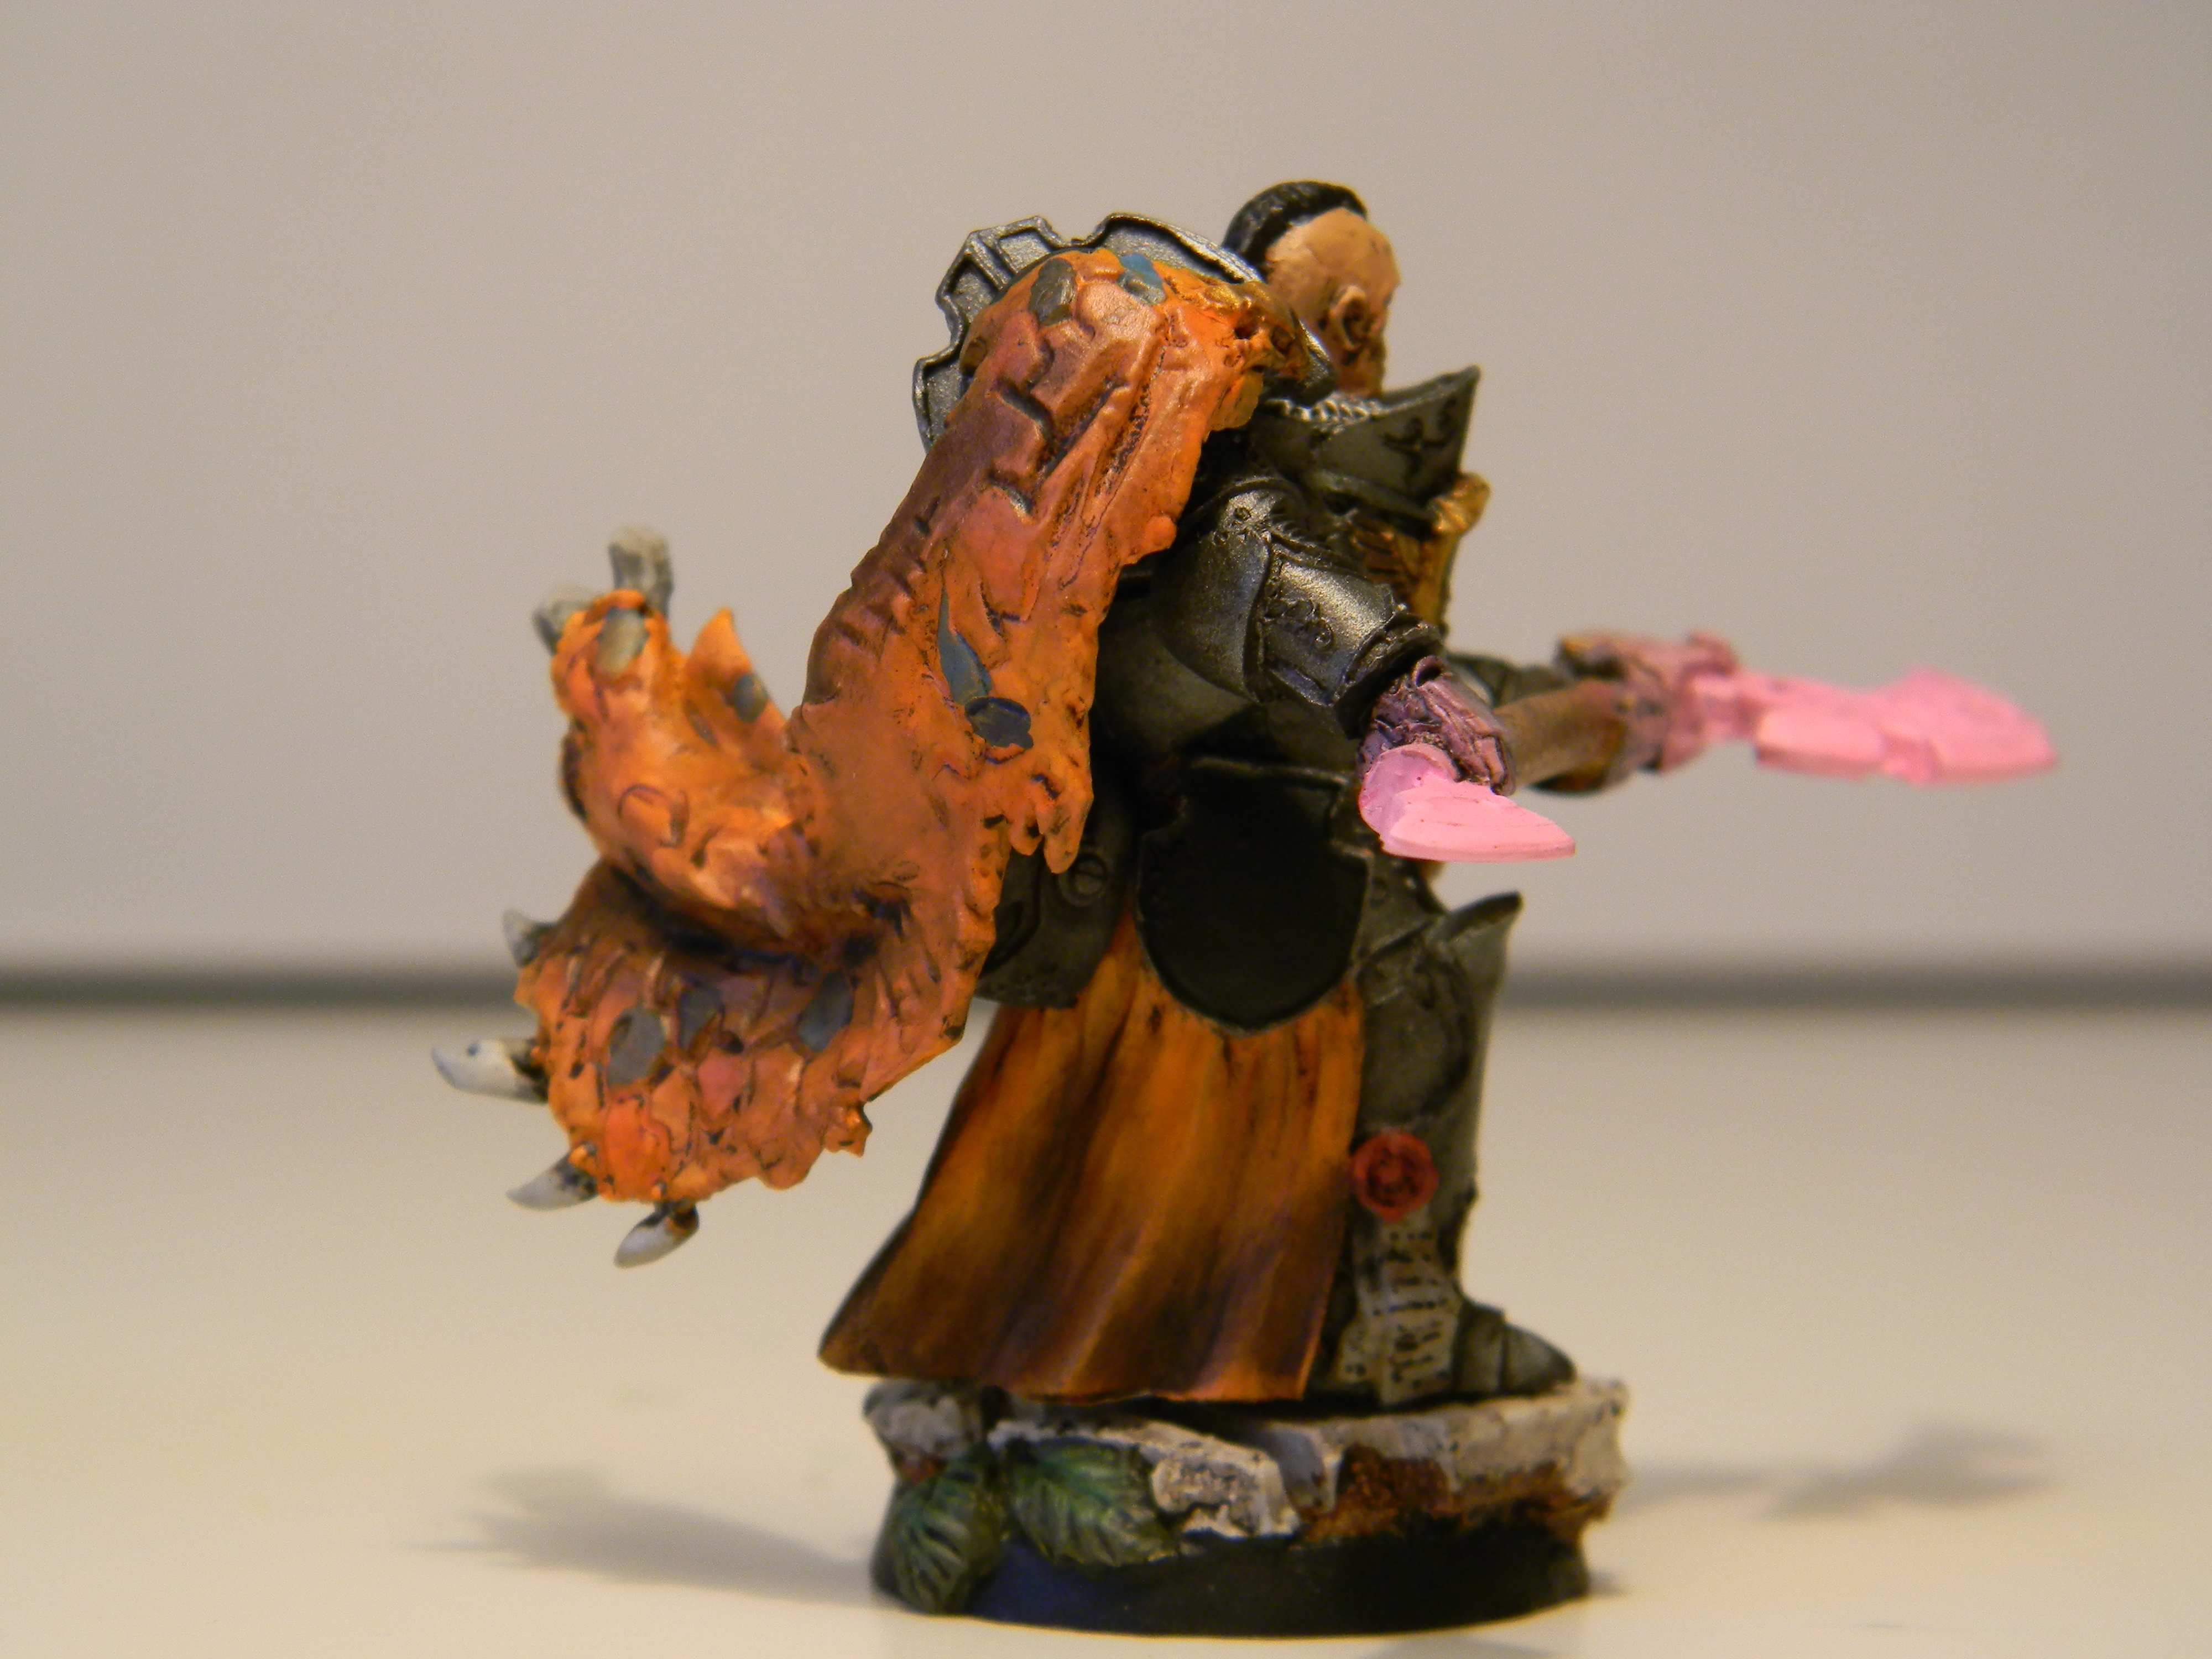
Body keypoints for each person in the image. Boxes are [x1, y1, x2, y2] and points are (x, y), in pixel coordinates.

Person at [818, 183, 1698, 1407]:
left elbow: (1404, 678)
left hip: (1256, 849)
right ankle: (1387, 1318)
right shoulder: (1228, 499)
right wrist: (1409, 693)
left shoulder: (1263, 486)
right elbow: (1282, 599)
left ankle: (1355, 1315)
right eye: (1360, 305)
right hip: (1228, 878)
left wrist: (1598, 713)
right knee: (1408, 999)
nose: (1372, 328)